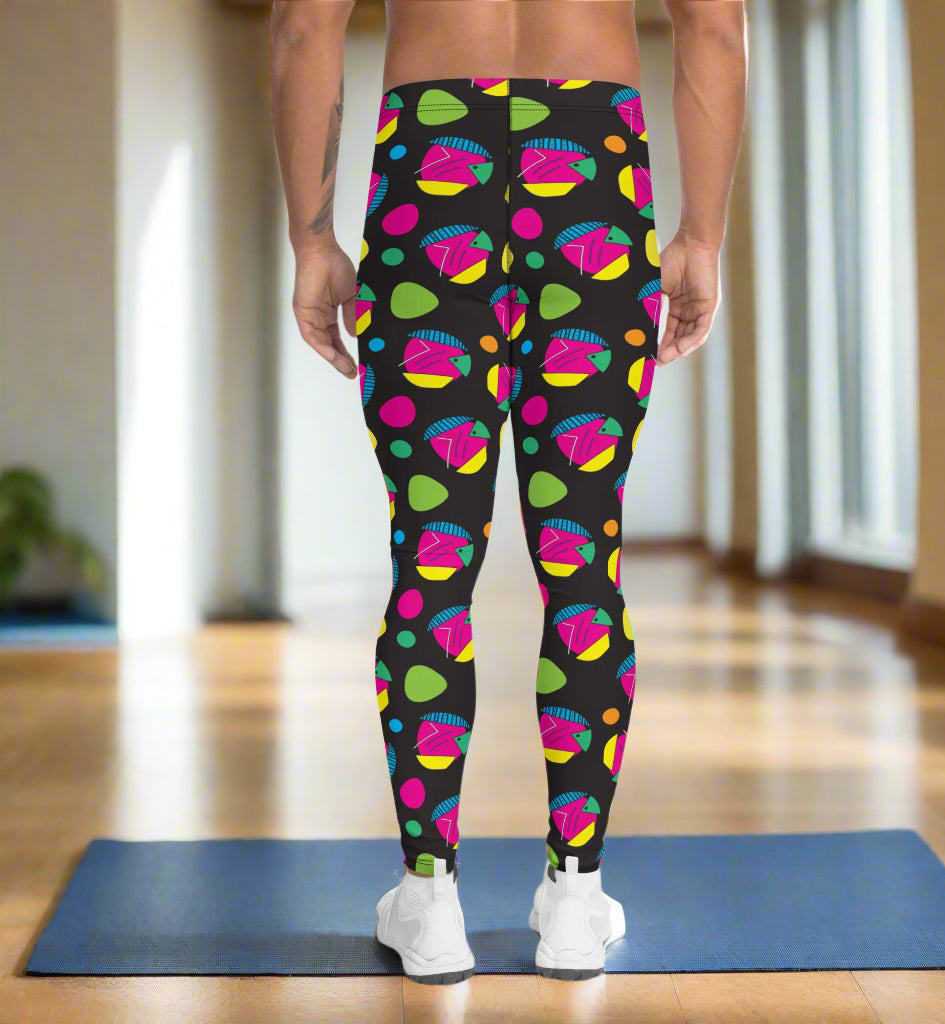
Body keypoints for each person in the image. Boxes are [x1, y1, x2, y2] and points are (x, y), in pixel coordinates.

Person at [270, 0, 747, 985]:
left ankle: (429, 894)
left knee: (432, 559)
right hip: (592, 169)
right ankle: (574, 895)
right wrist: (702, 234)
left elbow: (303, 26)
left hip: (431, 170)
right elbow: (710, 24)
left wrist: (311, 240)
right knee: (582, 558)